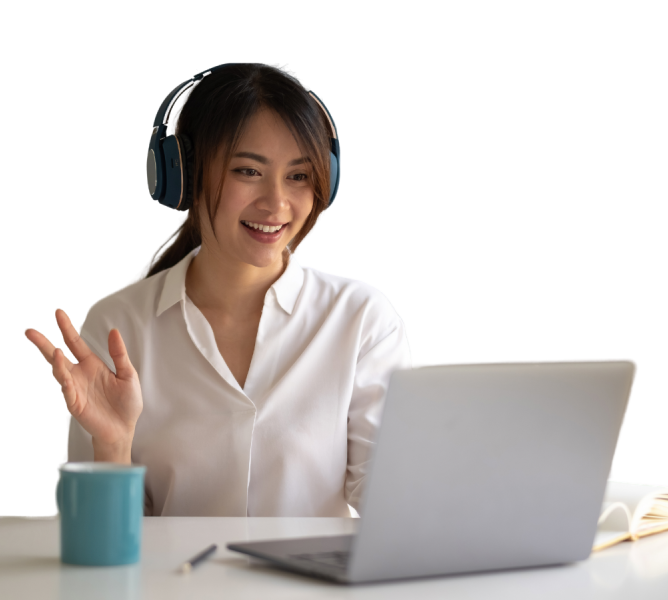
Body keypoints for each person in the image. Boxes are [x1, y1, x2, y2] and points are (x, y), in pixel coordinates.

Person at [23, 62, 413, 517]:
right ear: (183, 175)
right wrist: (112, 446)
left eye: (299, 175)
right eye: (248, 171)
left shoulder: (361, 319)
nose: (277, 203)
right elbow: (97, 555)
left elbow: (396, 507)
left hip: (311, 591)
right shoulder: (118, 325)